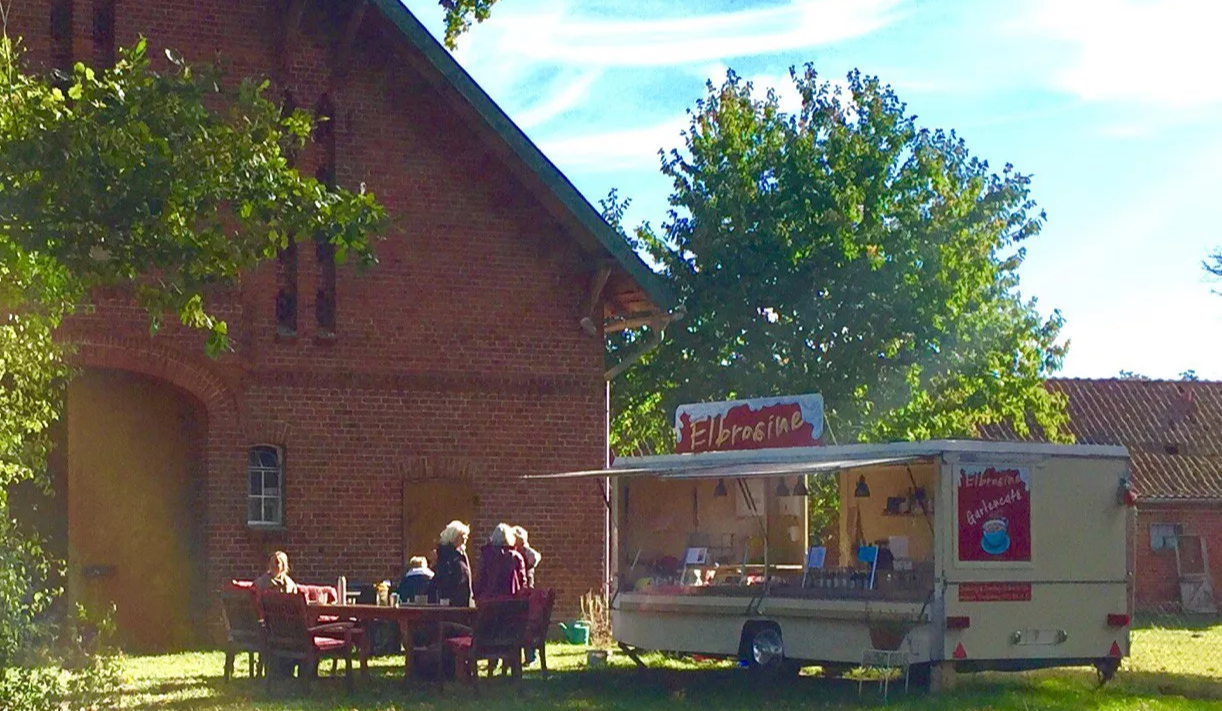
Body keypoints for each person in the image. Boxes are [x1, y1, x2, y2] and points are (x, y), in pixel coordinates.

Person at [473, 523, 527, 602]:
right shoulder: (516, 557)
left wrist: (478, 596)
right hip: (511, 602)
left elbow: (480, 578)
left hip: (488, 602)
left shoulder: (486, 555)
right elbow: (522, 582)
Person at [428, 520, 472, 607]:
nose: (466, 538)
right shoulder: (447, 556)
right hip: (451, 603)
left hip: (460, 602)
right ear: (454, 537)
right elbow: (445, 578)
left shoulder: (459, 554)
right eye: (463, 536)